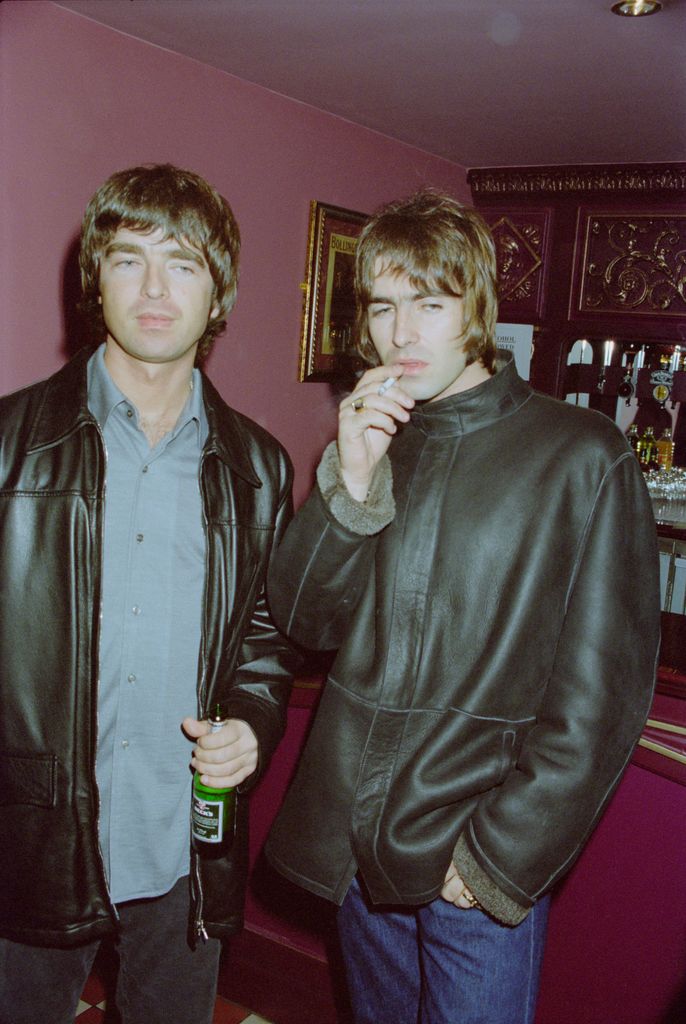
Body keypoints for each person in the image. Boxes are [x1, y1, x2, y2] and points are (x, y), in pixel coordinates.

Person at [265, 191, 661, 1024]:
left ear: (476, 307)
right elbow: (305, 621)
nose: (402, 333)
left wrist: (494, 858)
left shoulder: (582, 454)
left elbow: (602, 699)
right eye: (384, 305)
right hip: (353, 851)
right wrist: (352, 483)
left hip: (470, 860)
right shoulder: (375, 441)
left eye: (430, 304)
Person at [0, 164, 297, 1024]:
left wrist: (254, 725)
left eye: (186, 264)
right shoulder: (12, 444)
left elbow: (266, 645)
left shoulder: (259, 469)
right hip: (31, 844)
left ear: (221, 291)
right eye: (130, 260)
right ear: (96, 279)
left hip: (184, 851)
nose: (157, 289)